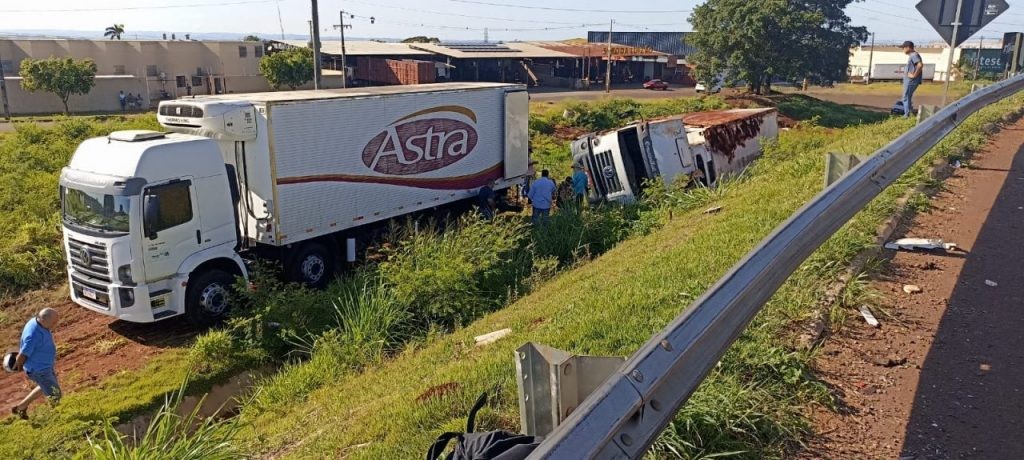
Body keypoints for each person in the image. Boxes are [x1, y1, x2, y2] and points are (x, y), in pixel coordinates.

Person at [10, 308, 61, 419]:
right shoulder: (33, 335)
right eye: (53, 323)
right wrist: (17, 365)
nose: (55, 325)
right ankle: (57, 419)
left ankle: (21, 407)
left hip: (44, 365)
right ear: (43, 320)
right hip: (39, 370)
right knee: (55, 394)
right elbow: (23, 354)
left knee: (45, 386)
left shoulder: (36, 321)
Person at [901, 41, 924, 118]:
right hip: (910, 80)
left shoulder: (914, 55)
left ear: (908, 47)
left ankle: (906, 115)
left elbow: (920, 65)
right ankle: (909, 113)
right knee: (908, 97)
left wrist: (914, 75)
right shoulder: (913, 55)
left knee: (905, 97)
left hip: (911, 81)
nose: (903, 50)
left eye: (903, 48)